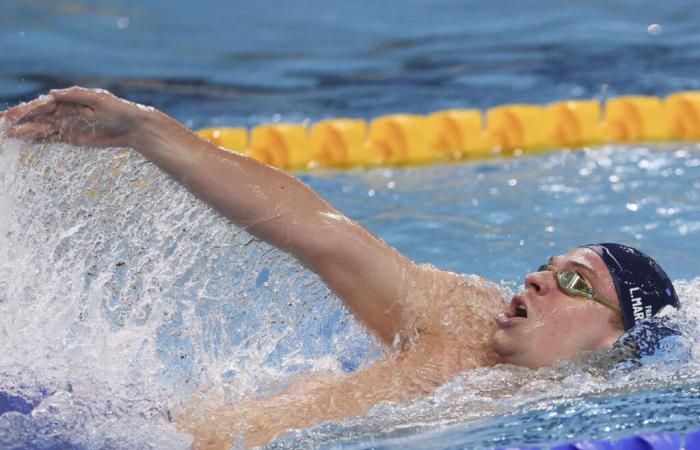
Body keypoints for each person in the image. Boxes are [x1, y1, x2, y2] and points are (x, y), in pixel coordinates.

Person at [0, 87, 681, 449]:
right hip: (120, 432)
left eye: (574, 283)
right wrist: (146, 133)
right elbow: (318, 233)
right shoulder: (459, 320)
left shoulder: (597, 409)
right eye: (546, 267)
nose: (535, 280)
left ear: (616, 342)